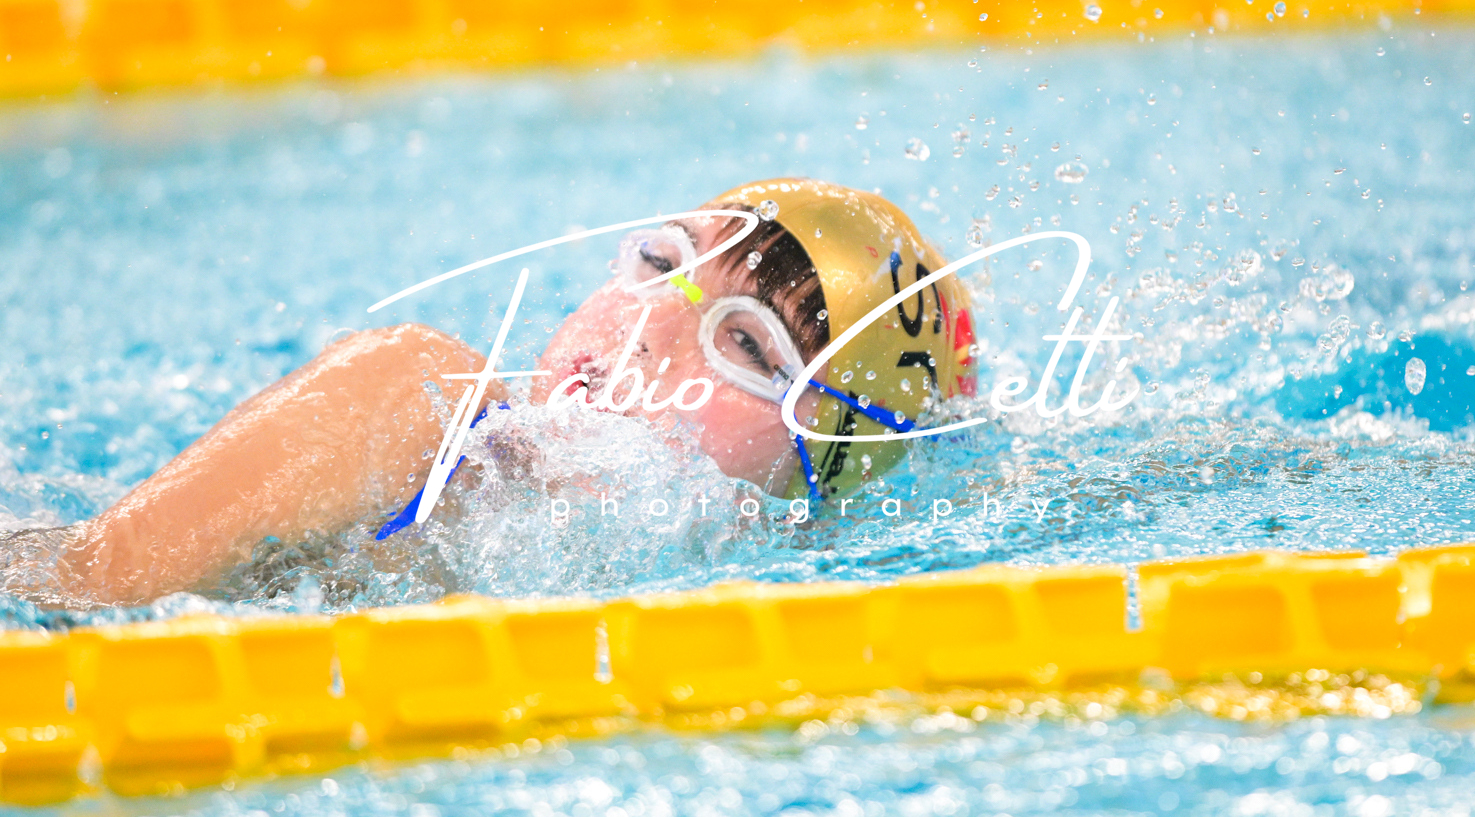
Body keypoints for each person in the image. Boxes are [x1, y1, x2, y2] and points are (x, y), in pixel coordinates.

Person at [4, 179, 976, 607]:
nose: (651, 328)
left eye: (749, 346)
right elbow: (80, 585)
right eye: (659, 263)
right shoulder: (415, 392)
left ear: (828, 472)